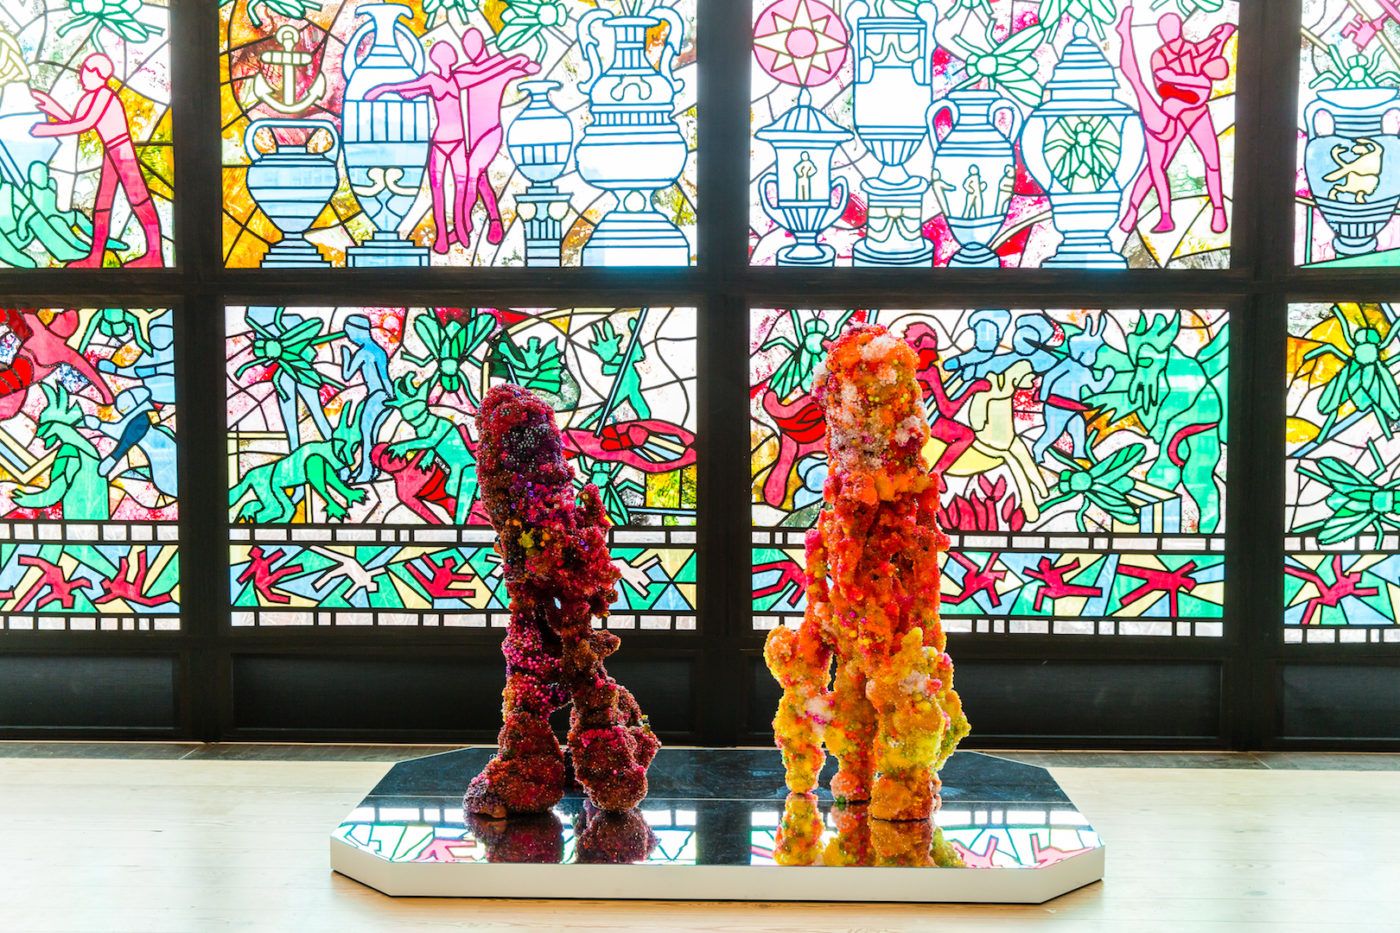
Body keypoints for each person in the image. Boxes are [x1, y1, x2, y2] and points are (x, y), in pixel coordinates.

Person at [29, 53, 163, 267]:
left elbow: (84, 124)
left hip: (122, 151)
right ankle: (95, 256)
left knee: (139, 200)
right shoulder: (89, 98)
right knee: (102, 205)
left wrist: (46, 129)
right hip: (110, 152)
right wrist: (50, 105)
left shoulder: (105, 96)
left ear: (99, 75)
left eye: (86, 71)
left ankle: (154, 254)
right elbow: (73, 121)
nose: (81, 75)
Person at [1117, 8, 1234, 235]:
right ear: (1161, 32)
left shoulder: (1194, 50)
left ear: (1178, 29)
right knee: (1156, 166)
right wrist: (1196, 78)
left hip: (1197, 113)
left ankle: (1218, 210)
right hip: (1174, 116)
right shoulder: (1159, 56)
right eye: (1164, 29)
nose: (1167, 32)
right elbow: (1165, 80)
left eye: (1171, 27)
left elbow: (1212, 58)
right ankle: (1134, 210)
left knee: (1212, 162)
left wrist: (1222, 36)